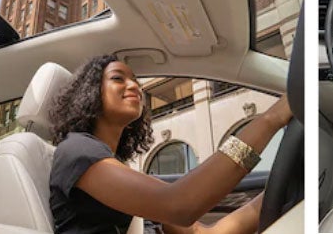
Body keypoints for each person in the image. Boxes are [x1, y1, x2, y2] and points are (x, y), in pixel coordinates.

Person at [49, 55, 292, 234]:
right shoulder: (76, 151)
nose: (135, 85)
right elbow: (180, 204)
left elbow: (201, 233)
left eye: (135, 80)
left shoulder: (116, 167)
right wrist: (272, 119)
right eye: (117, 78)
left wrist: (281, 192)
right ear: (90, 93)